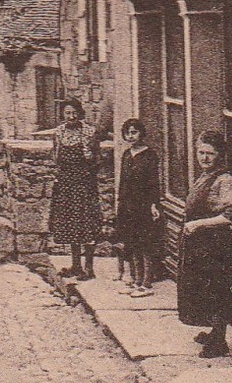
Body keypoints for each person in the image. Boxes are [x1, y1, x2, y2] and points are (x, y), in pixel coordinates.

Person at [177, 130, 232, 358]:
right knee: (202, 289)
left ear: (220, 155)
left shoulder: (225, 179)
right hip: (200, 244)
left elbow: (228, 217)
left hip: (217, 244)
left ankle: (219, 340)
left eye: (210, 154)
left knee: (217, 291)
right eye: (201, 152)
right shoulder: (205, 175)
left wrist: (198, 225)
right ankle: (214, 331)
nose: (204, 158)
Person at [47, 98, 102, 280]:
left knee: (86, 224)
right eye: (67, 113)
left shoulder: (88, 132)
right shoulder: (59, 132)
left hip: (84, 185)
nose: (71, 116)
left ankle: (89, 268)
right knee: (71, 225)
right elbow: (56, 158)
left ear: (80, 113)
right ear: (63, 115)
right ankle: (76, 265)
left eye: (74, 113)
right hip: (66, 185)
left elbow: (96, 160)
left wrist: (86, 176)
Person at [112, 118, 160, 295]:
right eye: (128, 133)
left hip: (144, 205)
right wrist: (120, 204)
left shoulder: (150, 155)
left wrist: (154, 205)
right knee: (131, 243)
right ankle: (135, 279)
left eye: (134, 132)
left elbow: (154, 183)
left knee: (145, 244)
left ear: (141, 133)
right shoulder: (126, 154)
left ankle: (146, 283)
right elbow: (123, 182)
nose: (131, 136)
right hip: (128, 205)